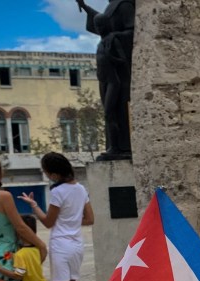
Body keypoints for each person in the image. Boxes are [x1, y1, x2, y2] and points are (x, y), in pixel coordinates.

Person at [20, 152, 94, 281]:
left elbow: (48, 222)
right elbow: (90, 218)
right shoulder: (80, 189)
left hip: (61, 246)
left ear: (53, 173)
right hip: (76, 245)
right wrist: (71, 222)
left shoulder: (59, 192)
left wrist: (34, 207)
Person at [76, 0, 134, 161]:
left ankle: (121, 147)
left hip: (118, 77)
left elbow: (133, 31)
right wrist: (86, 8)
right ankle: (113, 146)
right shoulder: (111, 8)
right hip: (105, 78)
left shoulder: (124, 5)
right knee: (109, 113)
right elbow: (102, 23)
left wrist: (115, 36)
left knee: (115, 111)